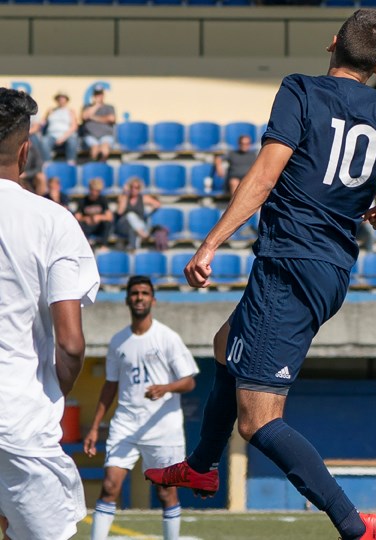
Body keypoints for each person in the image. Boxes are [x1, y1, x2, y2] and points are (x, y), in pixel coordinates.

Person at [143, 10, 376, 540]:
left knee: (259, 420)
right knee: (227, 344)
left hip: (289, 263)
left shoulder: (300, 90)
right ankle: (201, 464)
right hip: (330, 265)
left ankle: (352, 523)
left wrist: (210, 243)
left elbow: (266, 173)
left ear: (332, 43)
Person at [0, 88, 100, 540]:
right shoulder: (52, 220)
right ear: (26, 150)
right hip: (19, 421)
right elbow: (71, 343)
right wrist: (56, 384)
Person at [84, 275, 199, 540]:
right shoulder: (117, 341)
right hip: (125, 423)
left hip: (162, 427)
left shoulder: (167, 338)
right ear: (127, 299)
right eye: (134, 293)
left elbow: (190, 382)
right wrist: (94, 427)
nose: (139, 298)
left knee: (165, 491)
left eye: (144, 293)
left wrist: (165, 388)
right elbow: (110, 386)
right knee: (110, 486)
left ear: (153, 300)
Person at [115, 177, 161, 252]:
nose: (134, 189)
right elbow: (120, 212)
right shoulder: (124, 197)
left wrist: (149, 209)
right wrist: (125, 194)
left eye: (137, 187)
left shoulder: (143, 198)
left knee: (135, 229)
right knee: (130, 215)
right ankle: (143, 234)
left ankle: (135, 247)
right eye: (131, 187)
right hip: (124, 225)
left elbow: (157, 204)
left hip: (136, 227)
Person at [42, 91, 80, 165]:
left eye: (63, 98)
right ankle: (47, 163)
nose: (61, 100)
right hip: (52, 135)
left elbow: (74, 127)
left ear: (66, 100)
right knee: (44, 141)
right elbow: (43, 123)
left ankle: (71, 162)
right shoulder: (51, 110)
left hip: (66, 135)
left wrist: (63, 137)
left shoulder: (70, 111)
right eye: (59, 98)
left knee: (73, 141)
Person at [75, 177, 114, 248]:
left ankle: (104, 245)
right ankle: (84, 246)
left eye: (98, 191)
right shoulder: (83, 200)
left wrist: (100, 217)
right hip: (87, 227)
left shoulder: (103, 200)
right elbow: (77, 217)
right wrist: (85, 219)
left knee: (107, 224)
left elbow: (110, 217)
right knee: (79, 226)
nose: (95, 193)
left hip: (98, 227)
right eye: (93, 190)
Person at [81, 86, 116, 162]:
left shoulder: (109, 107)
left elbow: (111, 119)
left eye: (100, 95)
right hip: (91, 136)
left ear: (103, 95)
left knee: (104, 149)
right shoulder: (87, 107)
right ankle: (94, 169)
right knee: (95, 149)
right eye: (96, 95)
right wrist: (96, 106)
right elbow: (84, 116)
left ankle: (101, 168)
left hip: (106, 135)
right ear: (93, 96)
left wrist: (93, 117)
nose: (98, 97)